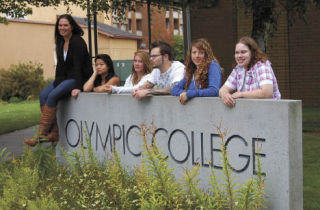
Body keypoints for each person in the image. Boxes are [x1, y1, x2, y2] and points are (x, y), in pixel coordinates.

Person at [24, 14, 93, 146]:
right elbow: (60, 66)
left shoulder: (77, 41)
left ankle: (40, 135)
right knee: (43, 95)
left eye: (65, 25)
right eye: (60, 25)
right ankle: (54, 133)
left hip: (78, 78)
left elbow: (79, 66)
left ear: (72, 26)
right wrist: (56, 82)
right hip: (64, 77)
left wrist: (78, 86)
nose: (62, 28)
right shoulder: (60, 42)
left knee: (52, 96)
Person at [219, 36, 281, 107]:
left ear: (252, 52)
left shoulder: (262, 66)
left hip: (270, 112)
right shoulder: (238, 69)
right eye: (237, 53)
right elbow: (223, 89)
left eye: (243, 52)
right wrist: (225, 95)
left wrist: (241, 94)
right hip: (250, 112)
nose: (239, 56)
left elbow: (267, 92)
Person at [171, 38, 222, 104]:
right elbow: (174, 90)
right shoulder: (192, 72)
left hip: (211, 108)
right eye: (194, 52)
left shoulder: (213, 66)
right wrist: (185, 94)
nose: (197, 56)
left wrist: (190, 94)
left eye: (201, 53)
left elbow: (214, 90)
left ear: (206, 54)